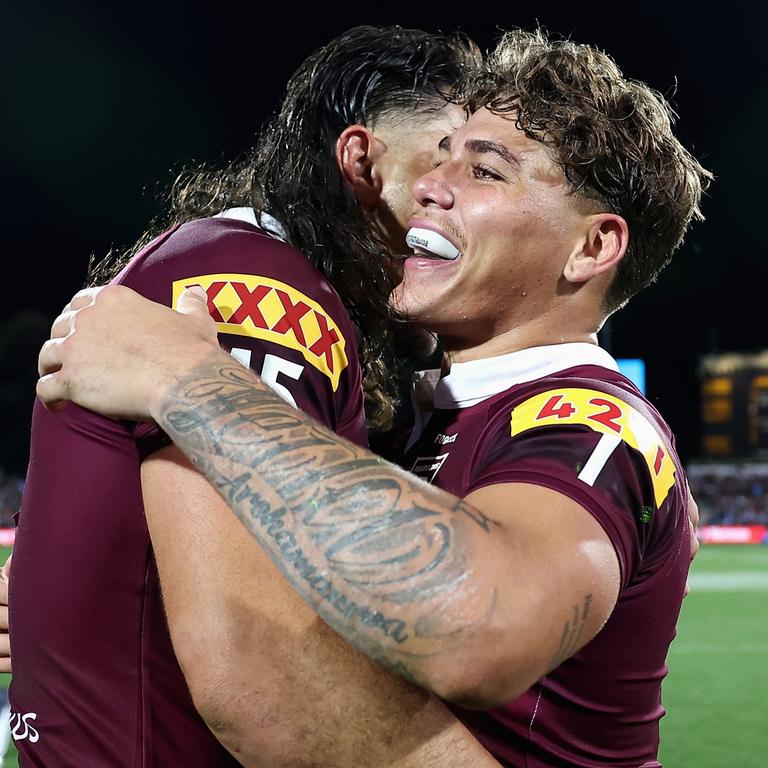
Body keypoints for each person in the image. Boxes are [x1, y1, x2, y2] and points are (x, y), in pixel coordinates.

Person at [37, 27, 711, 767]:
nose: (428, 183)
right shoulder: (420, 409)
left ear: (591, 247)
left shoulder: (596, 426)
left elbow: (473, 631)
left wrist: (189, 382)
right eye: (442, 153)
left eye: (484, 171)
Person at [9, 25, 500, 768]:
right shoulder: (262, 297)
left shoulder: (234, 264)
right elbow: (260, 670)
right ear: (362, 160)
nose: (452, 206)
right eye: (444, 167)